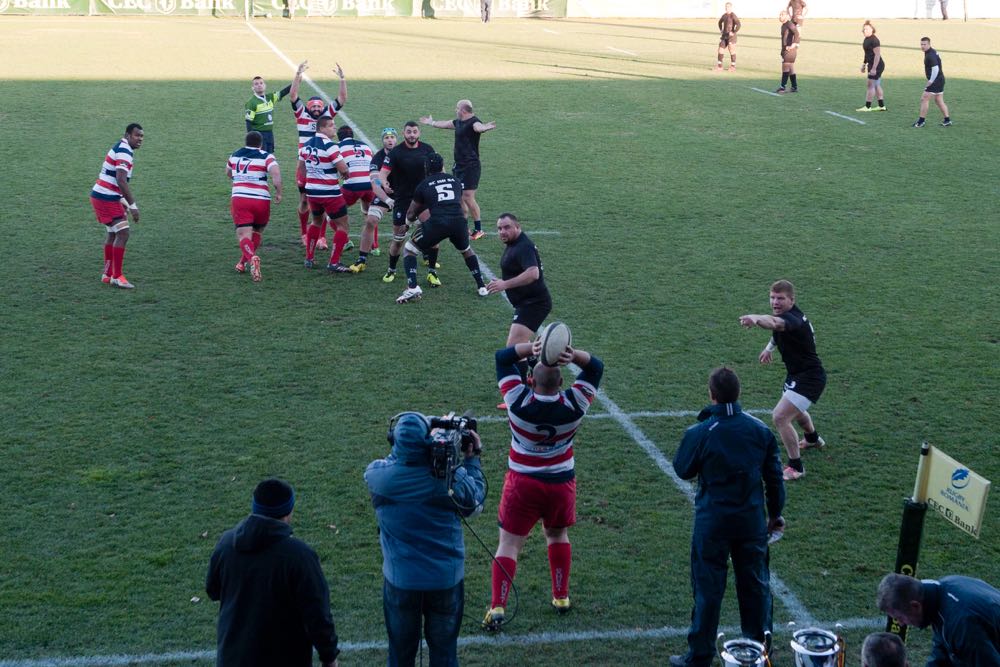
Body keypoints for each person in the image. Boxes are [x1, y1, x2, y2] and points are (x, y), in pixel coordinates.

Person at [482, 338, 604, 630]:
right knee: (557, 536)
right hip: (561, 483)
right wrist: (571, 354)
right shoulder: (576, 404)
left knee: (509, 545)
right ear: (563, 382)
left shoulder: (517, 401)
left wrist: (532, 349)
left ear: (528, 380)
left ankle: (498, 605)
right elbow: (595, 367)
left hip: (522, 481)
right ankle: (560, 596)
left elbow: (502, 357)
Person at [668, 367, 785, 667]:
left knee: (708, 588)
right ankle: (758, 651)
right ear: (738, 393)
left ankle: (700, 654)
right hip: (750, 522)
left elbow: (682, 469)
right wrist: (775, 514)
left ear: (712, 395)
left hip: (713, 522)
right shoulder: (760, 431)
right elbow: (774, 479)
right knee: (756, 585)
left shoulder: (700, 432)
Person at [364, 412, 487, 666]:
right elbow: (475, 505)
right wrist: (471, 462)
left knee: (400, 654)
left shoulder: (377, 477)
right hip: (445, 580)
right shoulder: (447, 480)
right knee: (444, 654)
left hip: (401, 581)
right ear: (427, 443)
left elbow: (392, 462)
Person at [206, 478, 340, 667]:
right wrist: (329, 657)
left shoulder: (226, 544)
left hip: (233, 658)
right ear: (289, 511)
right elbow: (318, 615)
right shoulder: (299, 556)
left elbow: (212, 590)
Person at [739, 280, 826, 481]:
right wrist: (768, 348)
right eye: (772, 297)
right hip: (797, 375)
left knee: (780, 417)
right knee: (795, 411)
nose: (775, 302)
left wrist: (755, 318)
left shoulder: (793, 320)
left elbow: (775, 324)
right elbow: (777, 331)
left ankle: (796, 466)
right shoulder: (785, 317)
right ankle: (812, 438)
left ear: (791, 300)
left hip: (809, 378)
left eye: (780, 298)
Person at [395, 152, 488, 304]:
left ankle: (412, 286)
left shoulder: (424, 184)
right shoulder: (455, 181)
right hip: (458, 221)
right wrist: (464, 226)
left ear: (427, 168)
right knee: (466, 250)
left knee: (410, 249)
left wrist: (407, 224)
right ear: (442, 166)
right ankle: (481, 285)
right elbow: (462, 207)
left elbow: (412, 212)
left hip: (437, 223)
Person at [486, 213, 552, 408]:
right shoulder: (515, 245)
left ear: (517, 227)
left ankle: (521, 394)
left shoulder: (523, 246)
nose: (502, 232)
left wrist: (505, 284)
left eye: (506, 227)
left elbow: (533, 273)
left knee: (513, 346)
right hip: (526, 302)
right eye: (499, 228)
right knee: (522, 346)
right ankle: (534, 370)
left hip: (534, 303)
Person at [876, 573, 1000, 665]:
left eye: (900, 617)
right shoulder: (943, 592)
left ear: (915, 606)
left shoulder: (960, 623)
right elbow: (942, 649)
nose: (901, 624)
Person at [419, 100, 497, 240]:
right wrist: (431, 122)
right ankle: (463, 226)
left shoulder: (474, 122)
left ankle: (479, 229)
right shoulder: (459, 122)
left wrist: (485, 127)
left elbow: (478, 127)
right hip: (459, 165)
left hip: (471, 166)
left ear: (463, 110)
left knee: (468, 196)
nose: (455, 110)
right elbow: (445, 124)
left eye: (457, 108)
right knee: (459, 196)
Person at [290, 61, 347, 248]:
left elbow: (342, 99)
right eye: (312, 106)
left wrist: (342, 78)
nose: (315, 109)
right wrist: (298, 75)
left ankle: (321, 237)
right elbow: (293, 95)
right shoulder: (301, 115)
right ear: (308, 107)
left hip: (323, 165)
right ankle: (304, 233)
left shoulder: (326, 117)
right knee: (305, 200)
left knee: (322, 201)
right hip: (305, 164)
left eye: (318, 106)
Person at [377, 121, 436, 283]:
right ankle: (391, 269)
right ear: (404, 134)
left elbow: (439, 171)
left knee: (433, 234)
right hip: (403, 200)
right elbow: (382, 173)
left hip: (423, 199)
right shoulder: (396, 153)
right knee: (399, 237)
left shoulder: (427, 149)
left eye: (415, 132)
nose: (412, 135)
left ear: (419, 133)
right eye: (409, 132)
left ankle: (432, 271)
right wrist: (384, 183)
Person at [90, 123, 144, 290]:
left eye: (142, 136)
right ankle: (117, 276)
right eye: (137, 135)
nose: (140, 139)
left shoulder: (122, 147)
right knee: (123, 232)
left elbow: (114, 178)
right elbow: (121, 180)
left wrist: (122, 199)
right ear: (128, 135)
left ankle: (107, 274)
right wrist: (133, 205)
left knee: (113, 233)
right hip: (106, 196)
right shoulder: (124, 151)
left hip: (103, 194)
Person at [226, 130, 282, 282]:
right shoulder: (267, 156)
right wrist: (279, 192)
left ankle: (252, 258)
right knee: (257, 230)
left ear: (246, 142)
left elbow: (228, 173)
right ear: (261, 144)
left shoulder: (235, 154)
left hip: (241, 199)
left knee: (243, 235)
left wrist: (239, 178)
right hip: (261, 200)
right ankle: (242, 262)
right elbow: (276, 175)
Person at [298, 116, 350, 271]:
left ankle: (309, 258)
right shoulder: (331, 146)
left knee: (316, 222)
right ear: (321, 128)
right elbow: (344, 169)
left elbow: (301, 168)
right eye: (331, 125)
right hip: (330, 193)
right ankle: (334, 262)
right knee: (343, 226)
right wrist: (344, 174)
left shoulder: (305, 146)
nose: (334, 128)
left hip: (312, 192)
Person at [350, 127, 398, 273]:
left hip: (404, 194)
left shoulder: (404, 153)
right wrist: (386, 197)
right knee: (370, 220)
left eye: (392, 137)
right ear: (382, 140)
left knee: (423, 219)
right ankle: (362, 259)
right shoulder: (377, 158)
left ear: (396, 139)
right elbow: (375, 183)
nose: (389, 140)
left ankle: (428, 256)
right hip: (384, 194)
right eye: (386, 137)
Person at [244, 75, 292, 154]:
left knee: (269, 156)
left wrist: (296, 81)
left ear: (265, 85)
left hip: (269, 134)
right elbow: (248, 122)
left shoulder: (270, 97)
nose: (259, 85)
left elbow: (283, 92)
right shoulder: (251, 103)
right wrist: (252, 139)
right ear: (252, 88)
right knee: (260, 157)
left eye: (261, 83)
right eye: (256, 84)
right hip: (259, 135)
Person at [914, 37, 952, 128]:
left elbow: (935, 69)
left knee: (924, 98)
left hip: (936, 81)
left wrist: (930, 81)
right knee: (939, 100)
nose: (922, 46)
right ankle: (947, 120)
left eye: (924, 44)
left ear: (929, 44)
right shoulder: (931, 52)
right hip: (940, 79)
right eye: (921, 44)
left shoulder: (930, 55)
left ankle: (921, 121)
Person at [857, 21, 887, 112]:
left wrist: (874, 68)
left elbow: (877, 55)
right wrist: (864, 64)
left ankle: (868, 106)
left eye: (866, 29)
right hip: (871, 64)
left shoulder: (874, 40)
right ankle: (881, 106)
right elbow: (867, 54)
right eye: (864, 29)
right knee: (876, 84)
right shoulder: (866, 39)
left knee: (870, 85)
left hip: (876, 65)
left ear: (872, 30)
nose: (864, 30)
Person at [776, 10, 800, 94]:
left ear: (786, 16)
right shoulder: (783, 25)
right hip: (786, 51)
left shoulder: (789, 24)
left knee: (785, 68)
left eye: (782, 15)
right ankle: (794, 87)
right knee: (791, 69)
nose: (780, 16)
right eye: (780, 15)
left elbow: (797, 34)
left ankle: (782, 87)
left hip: (790, 51)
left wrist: (793, 45)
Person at [715, 3, 741, 72]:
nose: (727, 8)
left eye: (728, 7)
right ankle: (719, 66)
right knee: (720, 49)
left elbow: (739, 24)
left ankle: (733, 66)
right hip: (724, 36)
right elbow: (719, 22)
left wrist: (734, 32)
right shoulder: (724, 15)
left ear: (731, 8)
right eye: (726, 7)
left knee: (731, 50)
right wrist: (721, 29)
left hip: (731, 37)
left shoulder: (733, 15)